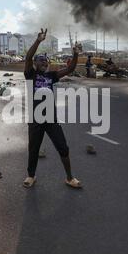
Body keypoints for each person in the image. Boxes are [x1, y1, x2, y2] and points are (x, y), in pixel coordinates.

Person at [23, 28, 82, 189]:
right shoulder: (30, 75)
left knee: (63, 147)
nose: (45, 63)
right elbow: (28, 57)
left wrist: (76, 54)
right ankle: (31, 175)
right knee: (33, 149)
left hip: (51, 119)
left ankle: (70, 177)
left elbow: (69, 69)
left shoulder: (51, 76)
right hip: (35, 119)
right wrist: (38, 41)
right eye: (41, 60)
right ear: (35, 64)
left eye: (46, 61)